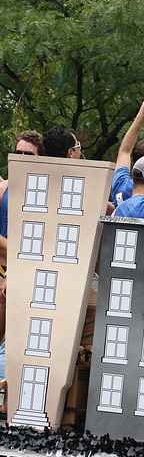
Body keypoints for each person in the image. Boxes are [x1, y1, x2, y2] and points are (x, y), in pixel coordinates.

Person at [0, 130, 45, 380]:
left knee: (21, 342)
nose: (22, 157)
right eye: (18, 153)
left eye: (29, 154)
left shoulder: (47, 194)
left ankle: (10, 401)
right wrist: (17, 250)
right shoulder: (3, 189)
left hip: (30, 275)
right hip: (3, 269)